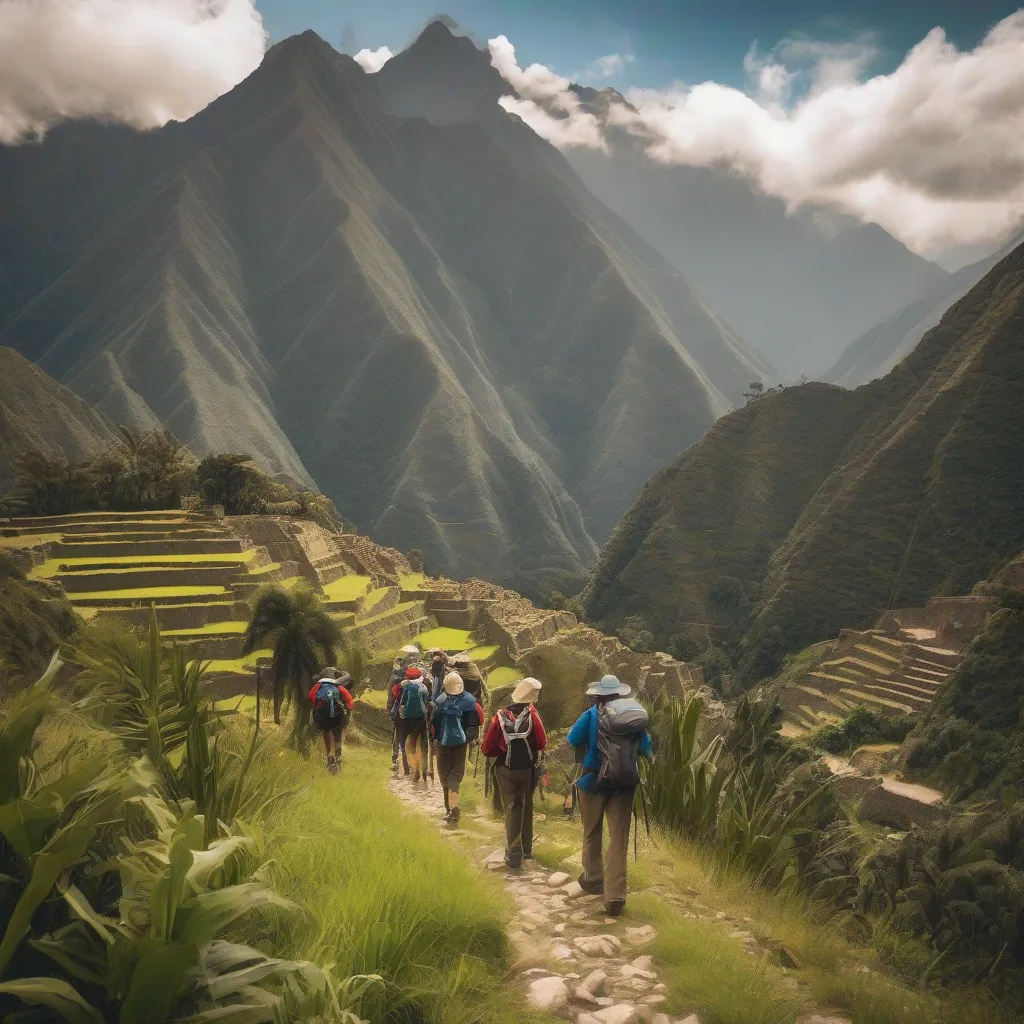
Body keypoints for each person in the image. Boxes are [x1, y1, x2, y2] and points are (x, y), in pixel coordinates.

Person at [566, 675, 652, 917]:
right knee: (618, 839)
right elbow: (646, 749)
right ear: (619, 694)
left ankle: (593, 878)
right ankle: (615, 895)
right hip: (624, 786)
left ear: (599, 695)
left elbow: (572, 739)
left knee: (591, 831)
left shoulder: (592, 714)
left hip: (593, 781)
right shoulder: (633, 720)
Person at [481, 677, 546, 869]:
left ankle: (513, 854)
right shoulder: (533, 715)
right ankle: (527, 850)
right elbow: (542, 741)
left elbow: (487, 748)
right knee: (526, 806)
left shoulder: (500, 717)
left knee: (511, 808)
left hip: (505, 769)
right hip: (527, 770)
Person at [431, 671, 484, 826]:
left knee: (443, 775)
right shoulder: (470, 701)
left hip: (443, 743)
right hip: (461, 745)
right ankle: (453, 807)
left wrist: (434, 739)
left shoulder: (440, 701)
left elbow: (433, 723)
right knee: (455, 775)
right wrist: (466, 739)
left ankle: (449, 808)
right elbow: (474, 725)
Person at [308, 667, 354, 774]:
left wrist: (319, 705)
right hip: (337, 716)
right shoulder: (338, 686)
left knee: (326, 732)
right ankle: (338, 756)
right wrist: (347, 709)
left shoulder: (319, 685)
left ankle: (329, 756)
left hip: (323, 716)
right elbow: (350, 701)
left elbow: (311, 696)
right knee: (337, 734)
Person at [396, 665, 430, 783]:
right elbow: (426, 703)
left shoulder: (406, 688)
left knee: (410, 745)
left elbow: (402, 703)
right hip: (421, 720)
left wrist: (402, 716)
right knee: (423, 745)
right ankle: (424, 770)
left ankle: (414, 769)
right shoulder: (423, 688)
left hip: (409, 721)